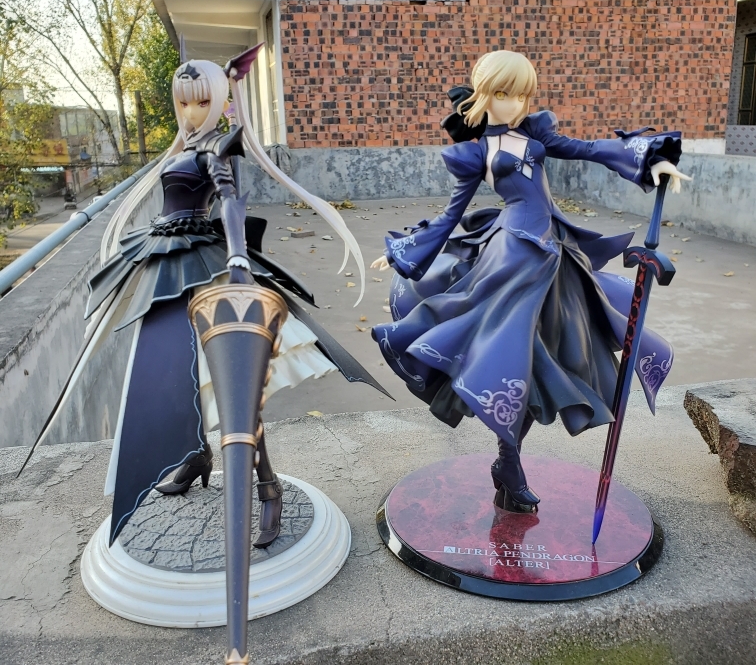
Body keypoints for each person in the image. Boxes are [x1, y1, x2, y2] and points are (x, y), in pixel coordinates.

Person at [34, 50, 385, 548]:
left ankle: (268, 487)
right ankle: (197, 455)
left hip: (208, 265)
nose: (192, 112)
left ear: (220, 100)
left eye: (202, 102)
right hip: (166, 265)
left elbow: (232, 203)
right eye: (184, 102)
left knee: (232, 379)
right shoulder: (183, 148)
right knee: (181, 371)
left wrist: (238, 257)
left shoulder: (217, 148)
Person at [371, 50, 690, 513]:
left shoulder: (535, 134)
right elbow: (450, 214)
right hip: (513, 256)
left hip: (555, 251)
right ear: (484, 95)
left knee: (553, 354)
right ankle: (510, 464)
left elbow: (587, 149)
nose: (516, 104)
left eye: (523, 95)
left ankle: (508, 462)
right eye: (505, 93)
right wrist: (403, 251)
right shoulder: (475, 152)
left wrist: (651, 161)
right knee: (510, 354)